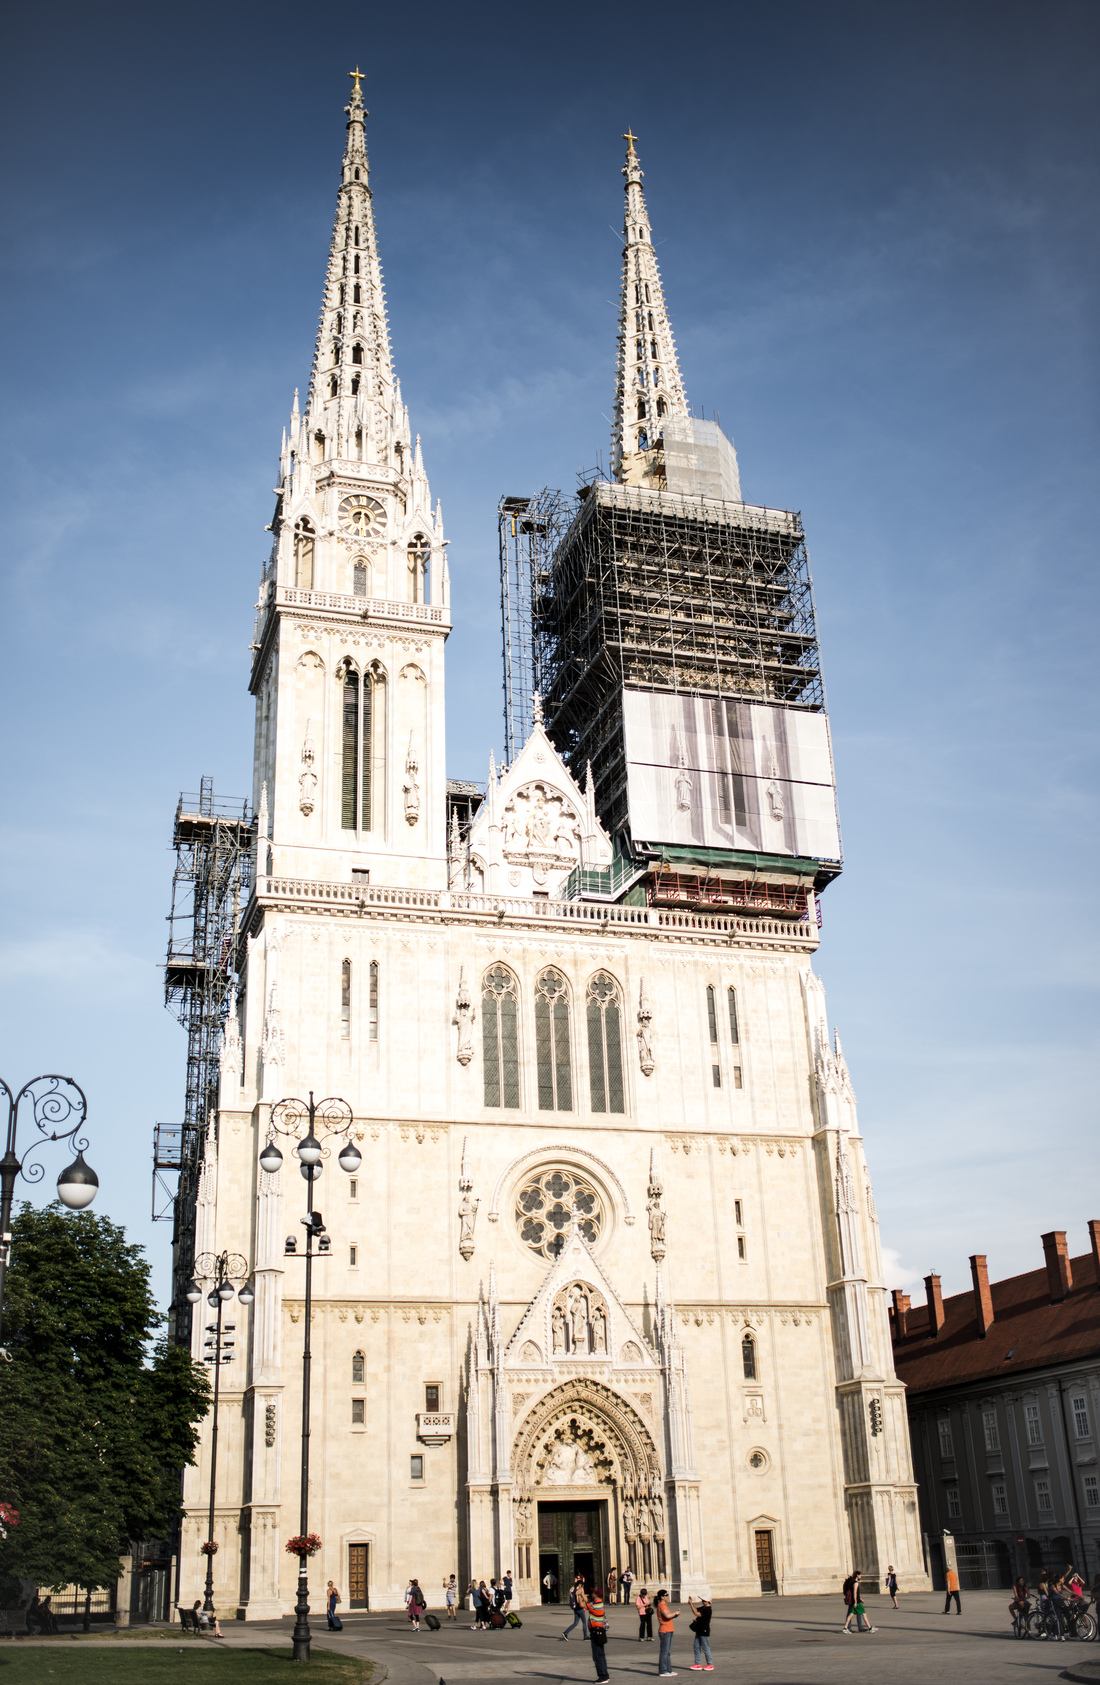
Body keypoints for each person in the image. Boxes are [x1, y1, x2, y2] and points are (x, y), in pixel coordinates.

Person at [587, 1582, 610, 1683]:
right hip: (595, 1632)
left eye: (593, 1592)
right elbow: (585, 1605)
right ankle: (604, 1675)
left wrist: (583, 1598)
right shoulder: (595, 1603)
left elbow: (595, 1611)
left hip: (597, 1632)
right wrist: (580, 1594)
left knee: (598, 1655)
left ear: (596, 1594)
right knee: (599, 1654)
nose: (591, 1594)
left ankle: (603, 1676)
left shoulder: (599, 1603)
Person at [655, 1586, 679, 1677]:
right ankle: (663, 1671)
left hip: (668, 1629)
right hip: (665, 1630)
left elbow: (668, 1616)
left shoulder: (664, 1605)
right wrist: (675, 1613)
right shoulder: (662, 1605)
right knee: (664, 1651)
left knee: (667, 1651)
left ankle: (668, 1670)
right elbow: (667, 1615)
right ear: (662, 1597)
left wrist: (675, 1615)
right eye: (666, 1595)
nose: (667, 1596)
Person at [688, 1591, 714, 1670]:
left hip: (704, 1630)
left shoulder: (708, 1609)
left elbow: (696, 1613)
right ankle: (697, 1664)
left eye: (704, 1600)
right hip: (699, 1630)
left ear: (708, 1601)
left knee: (705, 1647)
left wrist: (691, 1604)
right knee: (696, 1646)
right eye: (702, 1600)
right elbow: (696, 1609)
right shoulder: (704, 1607)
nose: (703, 1601)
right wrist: (691, 1603)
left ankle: (710, 1664)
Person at [562, 1574, 590, 1641]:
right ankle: (585, 1636)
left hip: (575, 1608)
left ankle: (565, 1633)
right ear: (580, 1584)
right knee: (584, 1622)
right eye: (582, 1584)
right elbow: (579, 1599)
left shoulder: (572, 1588)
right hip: (579, 1608)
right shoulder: (579, 1590)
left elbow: (572, 1597)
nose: (582, 1586)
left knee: (575, 1623)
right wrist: (585, 1600)